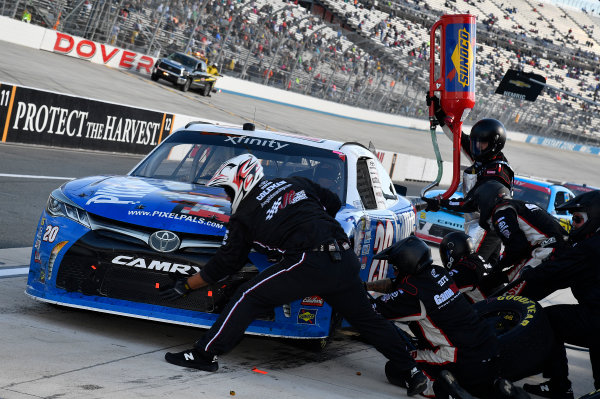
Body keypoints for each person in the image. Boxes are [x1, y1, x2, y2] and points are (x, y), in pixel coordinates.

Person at [160, 153, 428, 396]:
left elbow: (225, 263)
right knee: (368, 320)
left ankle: (204, 355)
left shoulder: (244, 214)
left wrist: (186, 285)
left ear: (243, 180)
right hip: (344, 257)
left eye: (228, 190)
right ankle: (411, 371)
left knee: (248, 296)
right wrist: (310, 225)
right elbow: (333, 202)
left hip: (311, 260)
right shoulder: (295, 182)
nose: (227, 197)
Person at [366, 236, 526, 399]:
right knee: (479, 384)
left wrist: (356, 291)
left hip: (458, 355)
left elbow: (372, 310)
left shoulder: (411, 293)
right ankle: (498, 389)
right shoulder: (440, 273)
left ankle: (440, 388)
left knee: (396, 369)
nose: (395, 271)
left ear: (405, 264)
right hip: (488, 345)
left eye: (396, 267)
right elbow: (397, 287)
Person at [520, 190, 600, 398]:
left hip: (595, 315)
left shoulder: (591, 247)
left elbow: (556, 272)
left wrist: (530, 273)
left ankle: (560, 386)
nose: (573, 224)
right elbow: (566, 276)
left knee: (548, 319)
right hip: (593, 314)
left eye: (577, 219)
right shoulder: (591, 244)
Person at [425, 94, 514, 264]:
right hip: (479, 224)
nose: (477, 147)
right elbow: (457, 136)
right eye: (475, 143)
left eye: (482, 144)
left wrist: (441, 203)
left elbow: (472, 203)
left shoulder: (497, 172)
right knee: (487, 274)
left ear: (495, 144)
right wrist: (439, 111)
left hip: (487, 227)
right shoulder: (484, 158)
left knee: (465, 267)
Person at [471, 180, 569, 295]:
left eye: (479, 205)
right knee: (503, 283)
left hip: (547, 251)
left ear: (487, 199)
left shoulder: (501, 212)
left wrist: (499, 267)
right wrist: (500, 274)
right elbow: (523, 250)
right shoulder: (518, 205)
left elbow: (517, 247)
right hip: (558, 252)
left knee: (507, 300)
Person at [439, 231, 502, 303]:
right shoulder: (477, 260)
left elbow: (440, 289)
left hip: (490, 310)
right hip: (499, 303)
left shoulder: (465, 269)